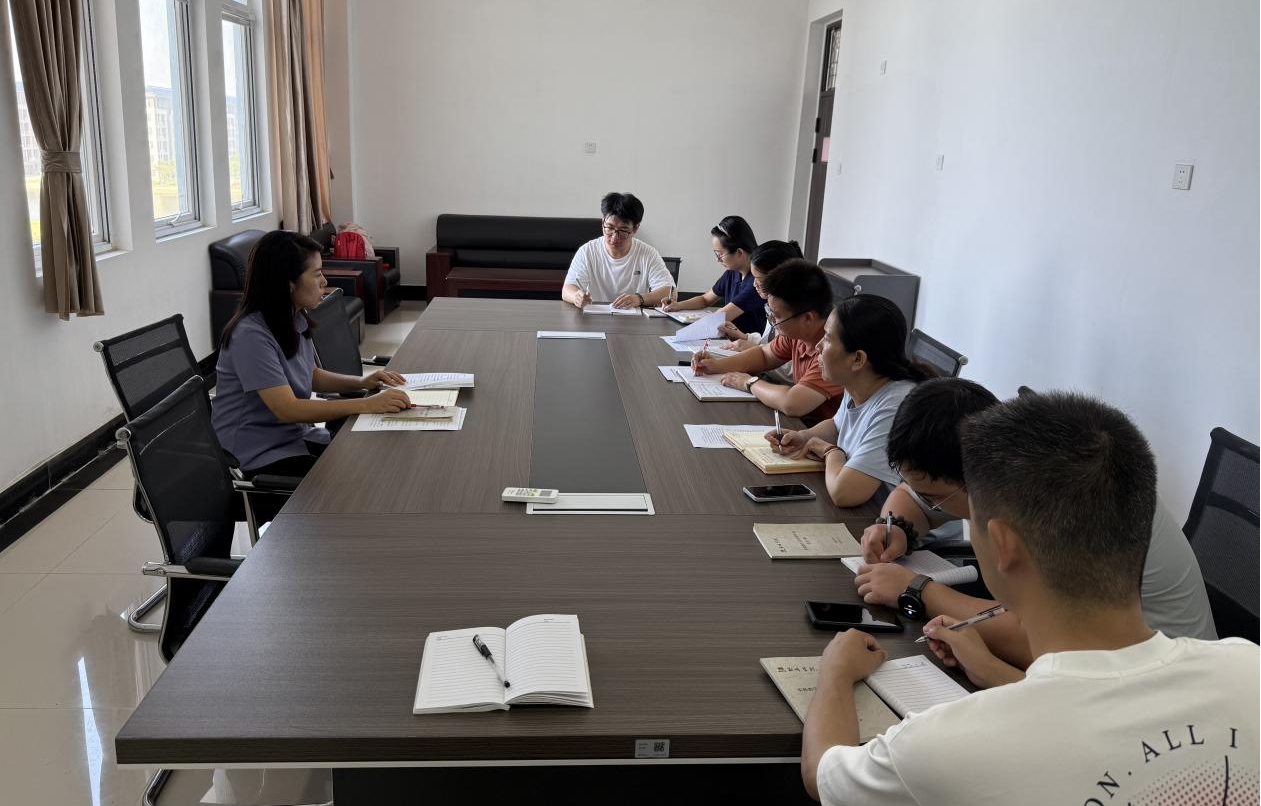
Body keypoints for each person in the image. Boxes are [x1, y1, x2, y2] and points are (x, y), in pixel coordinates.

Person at [802, 391, 1258, 805]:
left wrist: (836, 673)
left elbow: (824, 775)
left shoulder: (946, 748)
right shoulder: (1248, 665)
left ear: (1003, 545)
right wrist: (995, 672)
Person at [852, 378, 1216, 670]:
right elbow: (911, 495)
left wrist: (919, 591)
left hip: (1153, 678)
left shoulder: (1059, 506)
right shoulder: (1012, 465)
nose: (927, 505)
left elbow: (1045, 641)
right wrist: (896, 527)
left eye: (933, 497)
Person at [212, 230, 410, 519]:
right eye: (317, 274)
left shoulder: (291, 316)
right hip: (255, 459)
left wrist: (362, 382)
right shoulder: (251, 335)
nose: (324, 282)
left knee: (371, 460)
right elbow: (287, 409)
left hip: (291, 439)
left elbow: (310, 374)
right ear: (288, 282)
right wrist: (367, 404)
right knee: (360, 486)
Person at [765, 294, 930, 507]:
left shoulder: (896, 406)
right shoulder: (861, 382)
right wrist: (804, 437)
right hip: (869, 510)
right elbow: (837, 426)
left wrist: (831, 452)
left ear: (858, 359)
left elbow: (845, 494)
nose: (818, 347)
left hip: (893, 522)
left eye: (827, 339)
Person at [691, 259, 843, 423]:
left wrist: (749, 382)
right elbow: (764, 355)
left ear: (807, 318)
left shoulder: (835, 349)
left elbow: (792, 403)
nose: (773, 321)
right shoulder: (799, 332)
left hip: (823, 433)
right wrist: (716, 365)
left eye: (776, 316)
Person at [561, 192, 675, 309]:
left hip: (634, 318)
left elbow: (671, 294)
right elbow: (567, 290)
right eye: (610, 228)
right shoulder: (587, 251)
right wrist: (576, 297)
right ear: (603, 222)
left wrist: (639, 298)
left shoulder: (648, 254)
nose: (614, 237)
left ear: (635, 228)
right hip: (596, 315)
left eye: (623, 231)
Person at [660, 216, 766, 336]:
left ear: (739, 253)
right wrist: (678, 305)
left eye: (720, 255)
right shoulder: (732, 272)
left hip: (750, 344)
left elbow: (720, 317)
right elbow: (705, 299)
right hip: (730, 339)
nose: (718, 260)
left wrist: (678, 336)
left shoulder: (757, 281)